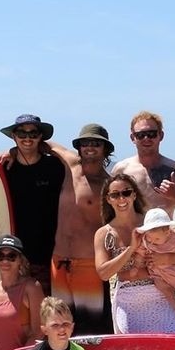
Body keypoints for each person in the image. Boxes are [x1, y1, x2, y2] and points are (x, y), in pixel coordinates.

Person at [93, 174, 175, 335]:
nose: (121, 198)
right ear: (108, 199)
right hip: (128, 299)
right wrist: (131, 248)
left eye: (126, 192)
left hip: (162, 293)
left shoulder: (153, 223)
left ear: (134, 195)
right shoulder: (104, 234)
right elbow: (104, 273)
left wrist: (164, 258)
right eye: (115, 194)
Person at [48, 124, 114, 333]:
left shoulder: (109, 185)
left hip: (88, 266)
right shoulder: (70, 164)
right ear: (79, 147)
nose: (90, 147)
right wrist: (10, 152)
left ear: (105, 149)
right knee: (59, 323)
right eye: (85, 143)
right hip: (58, 262)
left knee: (90, 327)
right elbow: (45, 143)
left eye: (96, 143)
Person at [0, 114, 65, 296]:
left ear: (41, 137)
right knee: (17, 309)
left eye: (33, 133)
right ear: (14, 136)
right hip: (13, 253)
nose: (27, 138)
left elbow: (76, 166)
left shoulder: (54, 166)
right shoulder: (4, 167)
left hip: (47, 252)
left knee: (44, 308)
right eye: (21, 133)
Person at [111, 110, 175, 216]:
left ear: (161, 135)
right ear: (133, 138)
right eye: (140, 135)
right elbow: (110, 205)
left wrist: (174, 196)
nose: (146, 138)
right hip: (131, 231)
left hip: (164, 231)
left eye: (151, 134)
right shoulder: (121, 169)